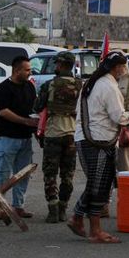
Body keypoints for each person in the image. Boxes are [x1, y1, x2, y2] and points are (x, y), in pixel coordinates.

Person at [67, 51, 129, 244]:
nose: (124, 70)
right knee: (99, 186)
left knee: (96, 183)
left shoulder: (91, 83)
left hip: (86, 139)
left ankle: (78, 218)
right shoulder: (108, 86)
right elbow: (120, 117)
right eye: (123, 67)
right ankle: (95, 230)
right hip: (98, 142)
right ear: (117, 67)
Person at [35, 51, 82, 223]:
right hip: (72, 135)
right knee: (68, 175)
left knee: (50, 173)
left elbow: (37, 106)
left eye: (57, 64)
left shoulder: (49, 85)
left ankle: (53, 209)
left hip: (53, 134)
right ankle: (63, 208)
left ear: (61, 65)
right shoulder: (80, 86)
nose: (55, 67)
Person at [0, 55, 38, 220]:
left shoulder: (30, 87)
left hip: (25, 138)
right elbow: (3, 111)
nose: (29, 73)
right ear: (16, 70)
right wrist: (25, 121)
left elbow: (34, 106)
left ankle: (18, 206)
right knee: (1, 173)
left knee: (23, 174)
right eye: (27, 70)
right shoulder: (3, 88)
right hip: (7, 137)